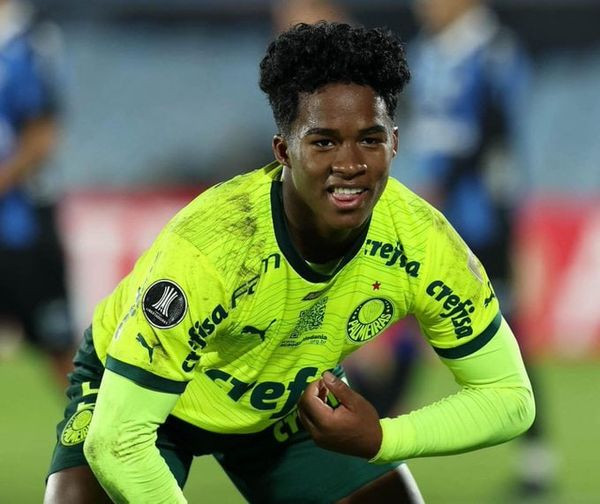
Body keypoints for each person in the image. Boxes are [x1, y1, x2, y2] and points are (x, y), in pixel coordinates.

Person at [44, 21, 535, 503]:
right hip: (141, 399)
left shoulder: (423, 243)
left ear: (395, 143)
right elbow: (118, 441)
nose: (350, 164)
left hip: (286, 401)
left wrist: (383, 438)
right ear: (284, 150)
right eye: (323, 142)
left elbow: (509, 397)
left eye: (370, 139)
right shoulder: (213, 246)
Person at [0, 0, 73, 386]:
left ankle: (96, 420)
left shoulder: (29, 42)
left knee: (59, 346)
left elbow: (42, 135)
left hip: (21, 227)